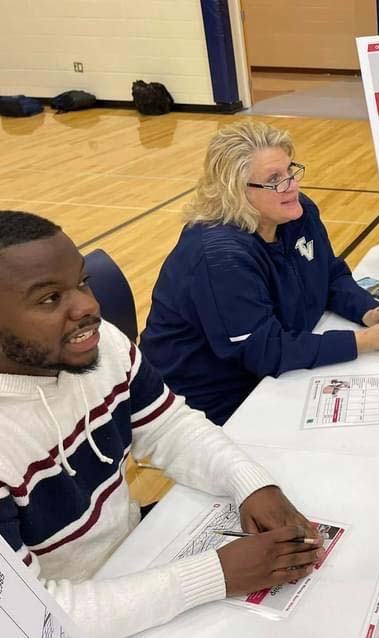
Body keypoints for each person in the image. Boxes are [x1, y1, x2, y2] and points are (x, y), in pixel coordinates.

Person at [0, 211, 325, 637]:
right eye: (48, 299)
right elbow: (33, 616)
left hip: (138, 557)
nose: (88, 307)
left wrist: (250, 482)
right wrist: (217, 575)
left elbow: (169, 425)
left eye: (81, 282)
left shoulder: (101, 347)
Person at [140, 120, 379, 425]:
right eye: (275, 179)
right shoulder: (220, 256)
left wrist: (366, 311)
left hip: (270, 371)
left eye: (290, 171)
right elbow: (265, 351)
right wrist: (363, 342)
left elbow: (330, 273)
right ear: (237, 191)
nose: (292, 185)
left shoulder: (296, 212)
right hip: (210, 402)